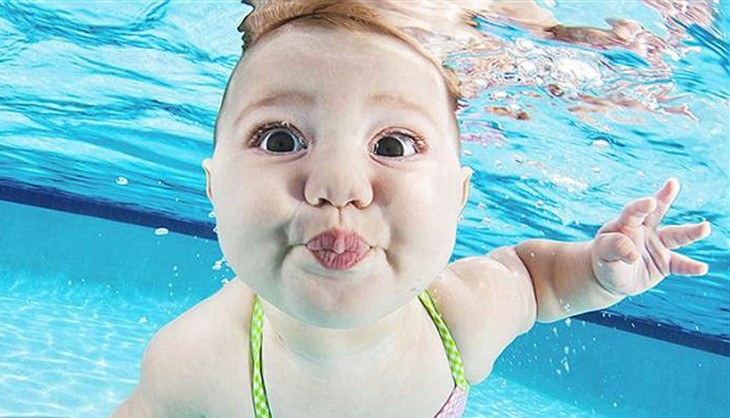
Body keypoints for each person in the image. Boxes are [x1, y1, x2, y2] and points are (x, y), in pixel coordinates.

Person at [110, 1, 712, 417]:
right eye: (280, 139)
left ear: (459, 197)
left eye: (393, 146)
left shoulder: (459, 318)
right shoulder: (195, 362)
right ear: (213, 190)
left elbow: (543, 281)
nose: (339, 187)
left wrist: (603, 273)